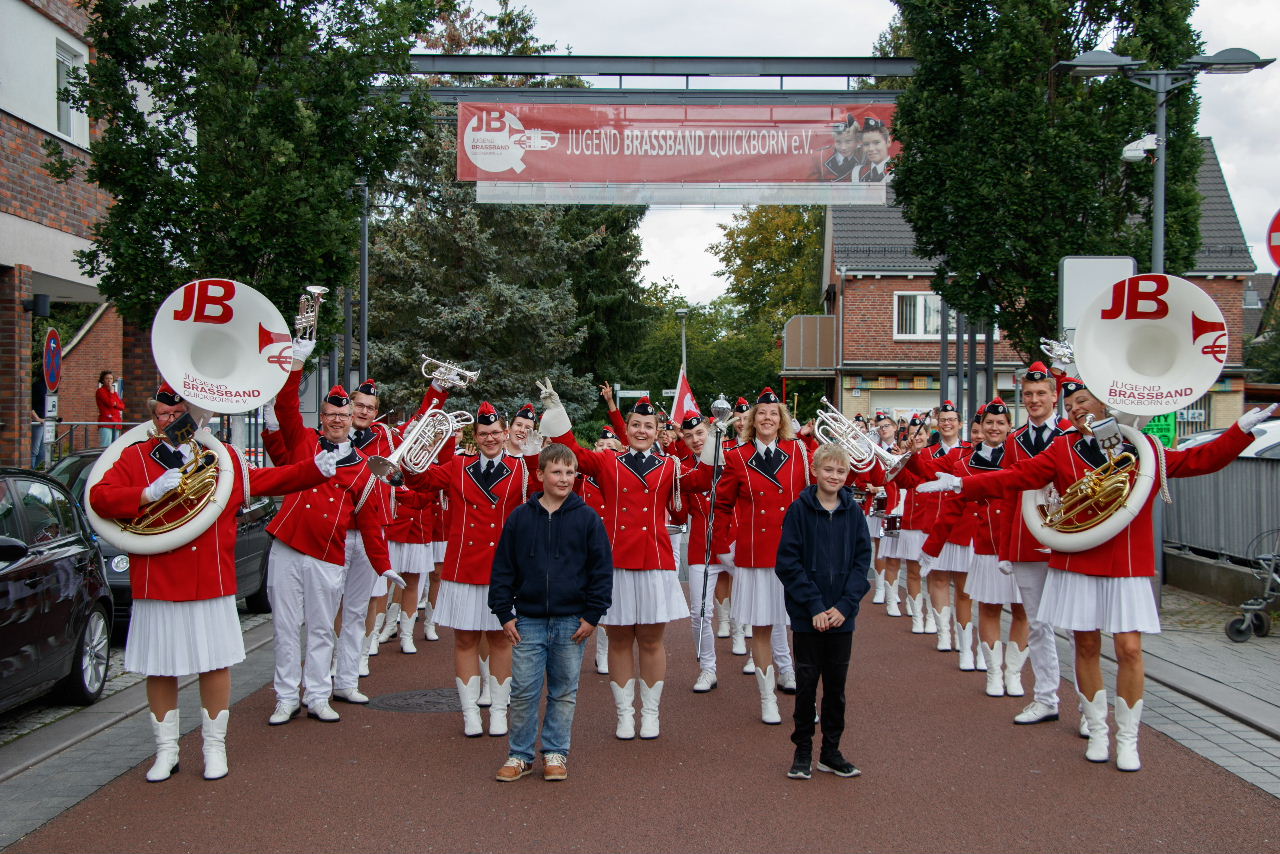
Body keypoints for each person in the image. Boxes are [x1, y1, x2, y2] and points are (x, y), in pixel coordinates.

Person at [918, 383, 1275, 771]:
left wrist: (1238, 431)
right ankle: (1097, 730)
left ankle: (1128, 740)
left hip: (1127, 562)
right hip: (1077, 559)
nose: (1075, 409)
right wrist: (961, 483)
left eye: (1082, 401)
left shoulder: (1144, 448)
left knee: (1130, 649)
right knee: (1085, 647)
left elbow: (1198, 461)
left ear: (1105, 403)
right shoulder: (1062, 449)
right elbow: (1015, 477)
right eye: (1069, 405)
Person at [89, 382, 336, 781]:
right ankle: (166, 751)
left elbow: (269, 481)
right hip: (159, 578)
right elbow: (100, 497)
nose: (169, 421)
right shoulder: (135, 457)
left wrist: (314, 470)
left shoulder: (222, 460)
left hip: (209, 578)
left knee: (214, 665)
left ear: (194, 416)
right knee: (161, 667)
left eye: (177, 415)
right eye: (162, 415)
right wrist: (146, 492)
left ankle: (214, 747)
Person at [540, 384, 712, 739]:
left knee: (651, 641)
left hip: (654, 562)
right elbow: (571, 451)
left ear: (656, 432)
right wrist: (556, 411)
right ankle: (623, 713)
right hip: (615, 563)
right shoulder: (607, 462)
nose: (641, 431)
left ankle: (650, 713)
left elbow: (704, 479)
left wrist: (716, 438)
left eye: (648, 426)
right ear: (627, 428)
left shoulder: (670, 465)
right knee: (618, 640)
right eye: (635, 424)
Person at [262, 373, 403, 726]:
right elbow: (287, 406)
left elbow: (370, 520)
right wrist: (294, 366)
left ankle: (318, 695)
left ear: (350, 417)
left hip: (327, 554)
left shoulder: (362, 466)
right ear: (322, 418)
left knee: (323, 628)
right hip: (289, 546)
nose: (337, 420)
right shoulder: (303, 442)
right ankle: (285, 697)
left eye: (342, 415)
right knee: (286, 626)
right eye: (330, 415)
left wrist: (382, 564)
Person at [490, 444, 613, 782]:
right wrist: (504, 611)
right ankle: (519, 755)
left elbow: (601, 570)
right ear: (540, 475)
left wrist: (592, 615)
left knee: (563, 691)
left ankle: (556, 752)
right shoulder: (520, 518)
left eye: (570, 472)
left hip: (571, 621)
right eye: (557, 472)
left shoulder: (587, 518)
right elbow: (503, 568)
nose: (564, 478)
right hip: (527, 620)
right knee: (524, 691)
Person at [407, 402, 530, 737]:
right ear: (475, 437)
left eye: (495, 433)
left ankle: (500, 712)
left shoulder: (522, 470)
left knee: (502, 640)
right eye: (483, 434)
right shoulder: (457, 466)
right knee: (464, 641)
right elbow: (419, 479)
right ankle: (470, 713)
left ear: (505, 434)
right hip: (463, 567)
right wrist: (422, 440)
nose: (490, 438)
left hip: (502, 569)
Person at [712, 388, 815, 724]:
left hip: (794, 553)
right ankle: (767, 697)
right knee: (761, 627)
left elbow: (815, 494)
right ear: (752, 421)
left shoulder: (798, 451)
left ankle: (806, 699)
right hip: (755, 554)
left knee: (803, 627)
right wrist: (724, 546)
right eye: (762, 414)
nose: (768, 419)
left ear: (781, 419)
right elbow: (723, 505)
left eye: (774, 414)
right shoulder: (737, 456)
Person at [774, 444, 872, 779]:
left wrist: (845, 606)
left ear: (847, 476)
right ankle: (802, 750)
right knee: (805, 686)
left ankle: (830, 751)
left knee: (836, 689)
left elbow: (862, 565)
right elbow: (788, 564)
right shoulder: (799, 511)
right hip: (808, 617)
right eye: (828, 470)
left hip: (842, 617)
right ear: (815, 470)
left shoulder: (855, 513)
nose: (834, 477)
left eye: (840, 472)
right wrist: (814, 606)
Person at [1003, 362, 1069, 725]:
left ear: (1054, 396)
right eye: (1028, 394)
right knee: (1038, 624)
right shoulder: (1014, 441)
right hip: (1028, 541)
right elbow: (1010, 495)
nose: (1034, 400)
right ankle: (1046, 698)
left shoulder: (1072, 433)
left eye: (1041, 393)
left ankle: (1091, 711)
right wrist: (1006, 551)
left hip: (1069, 539)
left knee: (1078, 627)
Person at [95, 371, 126, 448]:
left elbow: (122, 406)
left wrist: (115, 403)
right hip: (106, 422)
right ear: (103, 380)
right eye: (107, 378)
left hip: (116, 422)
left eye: (111, 379)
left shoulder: (114, 393)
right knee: (106, 446)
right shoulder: (100, 391)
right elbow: (110, 403)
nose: (109, 380)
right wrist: (111, 394)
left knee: (115, 447)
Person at [858, 118, 892, 183]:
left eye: (876, 142)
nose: (871, 148)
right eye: (866, 144)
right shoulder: (858, 172)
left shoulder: (898, 171)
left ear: (888, 142)